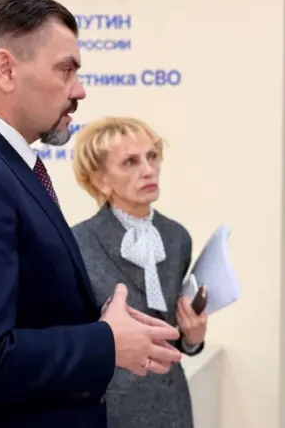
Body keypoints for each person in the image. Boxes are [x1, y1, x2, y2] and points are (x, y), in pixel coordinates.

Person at [0, 0, 182, 428]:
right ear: (6, 69)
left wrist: (102, 326)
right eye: (66, 70)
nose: (79, 89)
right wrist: (106, 343)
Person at [71, 116, 208, 428]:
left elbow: (172, 329)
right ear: (100, 180)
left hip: (172, 403)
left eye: (152, 156)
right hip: (109, 408)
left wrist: (193, 339)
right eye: (130, 162)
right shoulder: (78, 243)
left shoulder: (177, 237)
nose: (148, 170)